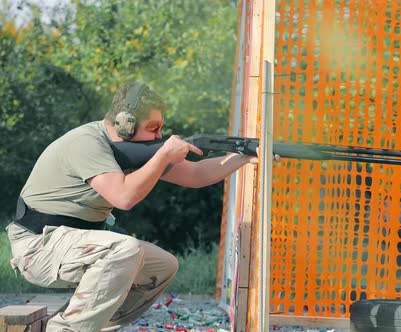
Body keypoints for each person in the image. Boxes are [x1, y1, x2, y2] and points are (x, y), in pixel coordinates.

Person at [6, 81, 259, 332]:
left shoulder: (133, 151)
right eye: (153, 128)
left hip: (71, 243)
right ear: (125, 125)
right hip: (38, 246)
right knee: (124, 249)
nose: (160, 136)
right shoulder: (87, 143)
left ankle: (89, 326)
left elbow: (195, 174)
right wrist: (162, 155)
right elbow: (124, 197)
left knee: (161, 266)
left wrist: (245, 155)